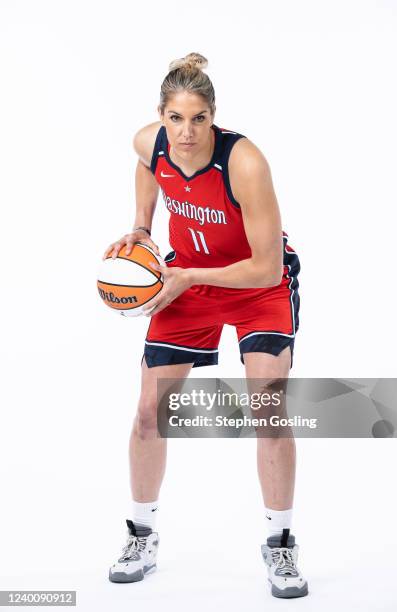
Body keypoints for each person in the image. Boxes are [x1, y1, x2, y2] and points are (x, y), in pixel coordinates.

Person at [102, 52, 308, 598]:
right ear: (162, 116)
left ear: (214, 116)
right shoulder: (153, 141)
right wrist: (142, 229)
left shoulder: (244, 162)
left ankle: (281, 544)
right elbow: (145, 162)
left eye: (198, 119)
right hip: (187, 283)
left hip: (254, 286)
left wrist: (188, 274)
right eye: (175, 118)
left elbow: (266, 264)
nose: (185, 132)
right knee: (149, 412)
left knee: (267, 407)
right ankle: (141, 534)